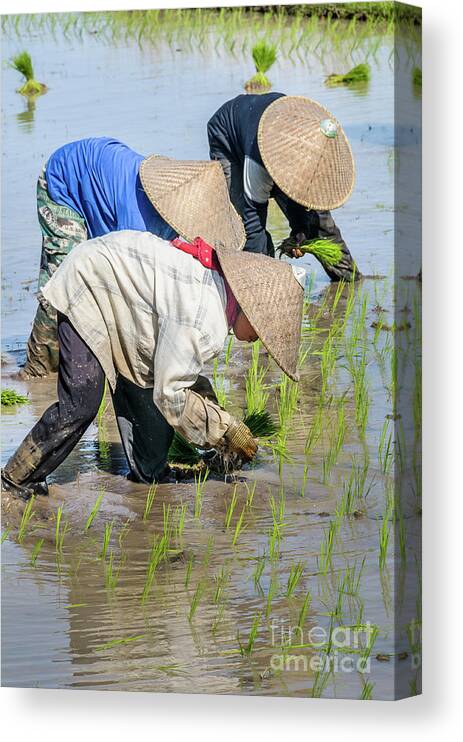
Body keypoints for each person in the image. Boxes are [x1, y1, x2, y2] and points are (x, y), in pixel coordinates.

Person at [1, 225, 305, 501]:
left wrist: (218, 436)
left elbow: (182, 375)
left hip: (129, 312)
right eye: (260, 332)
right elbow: (170, 395)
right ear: (249, 310)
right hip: (92, 282)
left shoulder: (220, 299)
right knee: (81, 403)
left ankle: (150, 475)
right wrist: (224, 430)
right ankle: (14, 480)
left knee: (153, 453)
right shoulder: (204, 318)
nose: (256, 341)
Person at [24, 138, 213, 378]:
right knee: (63, 279)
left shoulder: (175, 211)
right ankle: (37, 367)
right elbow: (127, 282)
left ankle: (70, 354)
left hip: (98, 177)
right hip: (62, 183)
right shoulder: (138, 220)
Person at [207, 92, 360, 281]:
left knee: (318, 224)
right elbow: (252, 220)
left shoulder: (314, 147)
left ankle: (349, 280)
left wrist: (300, 232)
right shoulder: (258, 163)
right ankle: (263, 283)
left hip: (282, 136)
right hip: (229, 138)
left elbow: (305, 204)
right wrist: (262, 276)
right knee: (242, 226)